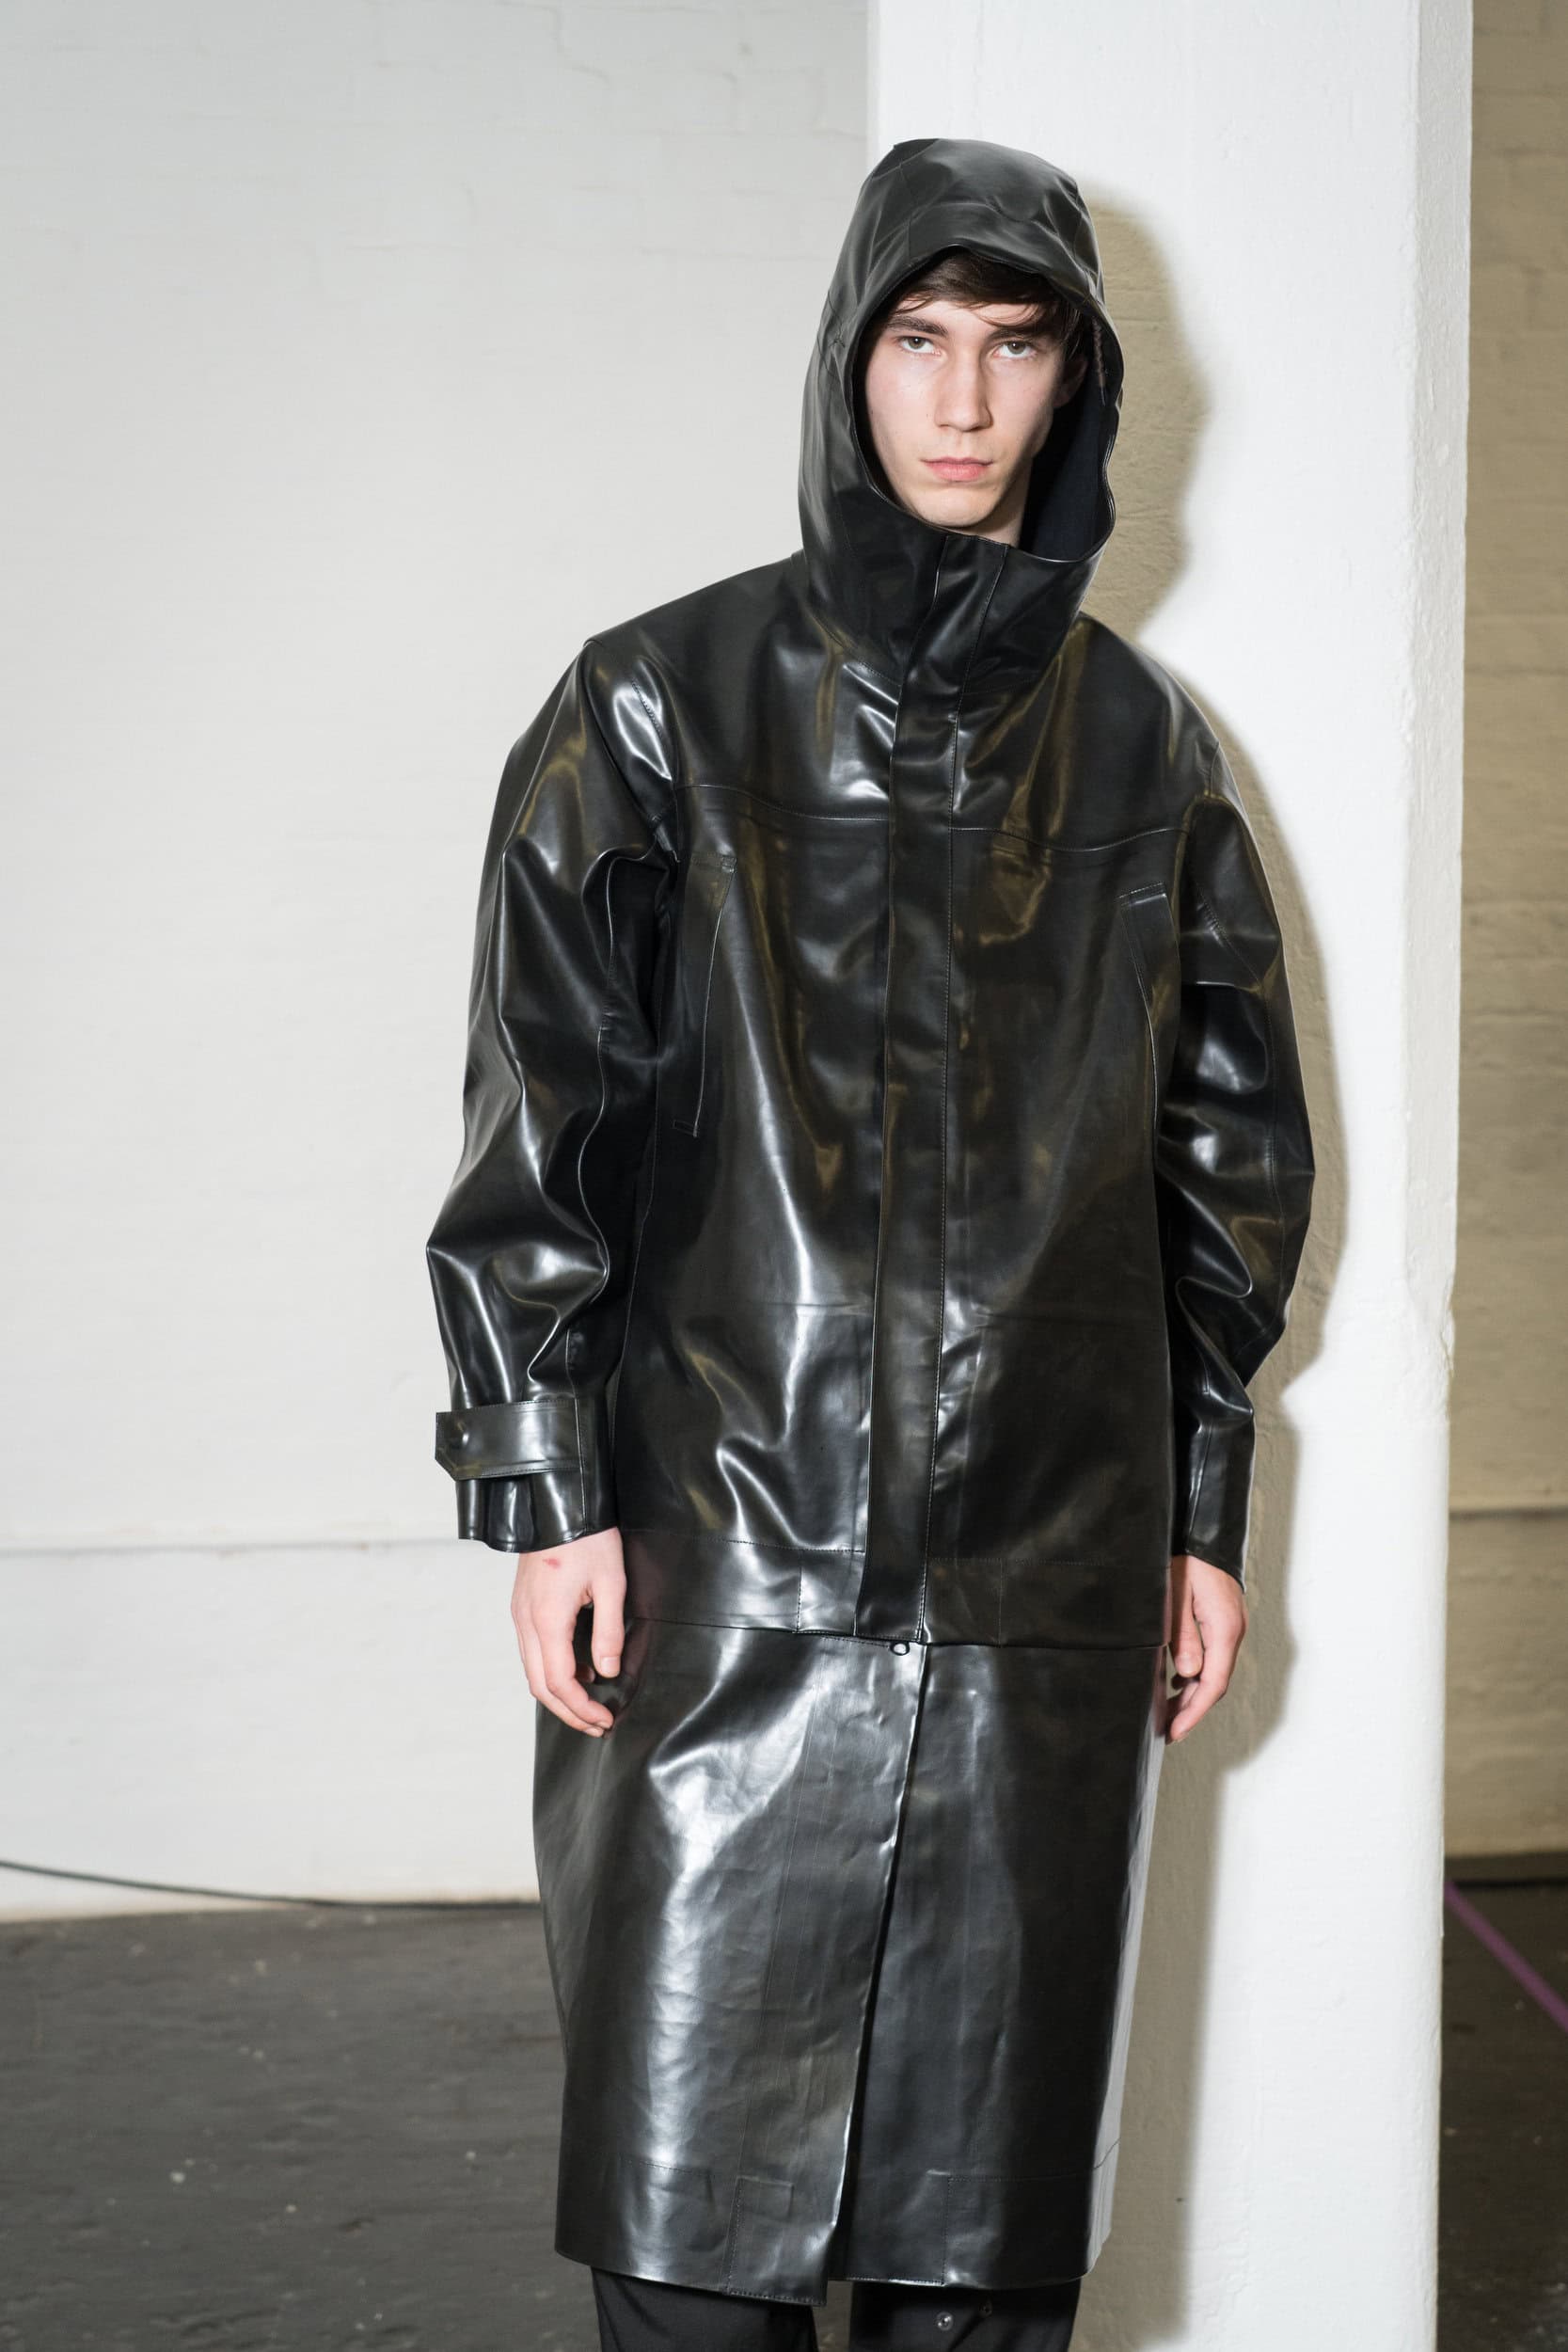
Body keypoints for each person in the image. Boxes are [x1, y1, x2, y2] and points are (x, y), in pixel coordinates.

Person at [425, 135, 1315, 2352]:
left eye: (1014, 346)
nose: (963, 398)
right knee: (690, 2238)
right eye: (920, 339)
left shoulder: (1146, 750)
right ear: (849, 359)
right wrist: (545, 1486)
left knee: (980, 2257)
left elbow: (1222, 1168)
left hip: (1044, 1575)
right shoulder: (659, 702)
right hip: (725, 1561)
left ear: (1078, 381)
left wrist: (1199, 1509)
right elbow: (545, 1111)